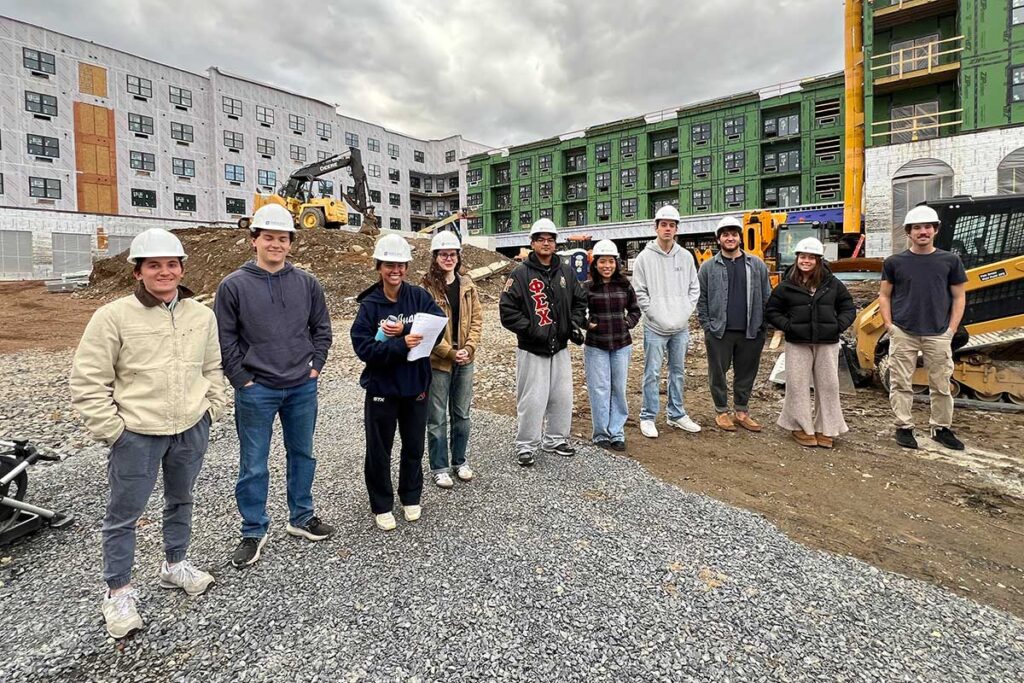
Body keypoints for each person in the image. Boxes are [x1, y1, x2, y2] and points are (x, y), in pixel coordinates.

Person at [70, 228, 227, 639]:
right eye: (153, 265)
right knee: (123, 516)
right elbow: (88, 381)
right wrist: (114, 431)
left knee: (182, 499)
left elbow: (213, 367)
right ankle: (118, 591)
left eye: (171, 264)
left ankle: (175, 565)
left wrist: (212, 408)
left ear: (181, 268)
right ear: (137, 271)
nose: (164, 272)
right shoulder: (113, 317)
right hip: (137, 433)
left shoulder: (200, 315)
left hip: (190, 426)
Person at [214, 203, 334, 568]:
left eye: (283, 238)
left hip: (301, 386)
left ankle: (301, 517)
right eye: (269, 237)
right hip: (257, 390)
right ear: (254, 240)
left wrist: (315, 367)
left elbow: (322, 330)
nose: (276, 244)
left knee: (304, 454)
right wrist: (243, 380)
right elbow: (225, 339)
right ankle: (253, 530)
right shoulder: (233, 286)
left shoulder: (307, 283)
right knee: (253, 463)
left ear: (291, 243)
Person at [351, 234, 445, 529]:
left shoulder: (418, 296)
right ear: (379, 267)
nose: (396, 270)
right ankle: (381, 504)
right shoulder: (370, 305)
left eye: (401, 265)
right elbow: (363, 348)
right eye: (389, 264)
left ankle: (411, 496)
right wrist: (401, 343)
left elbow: (437, 326)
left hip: (415, 385)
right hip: (382, 388)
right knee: (379, 448)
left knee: (414, 444)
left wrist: (407, 329)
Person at [499, 218, 588, 466]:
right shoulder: (519, 273)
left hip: (559, 346)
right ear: (532, 243)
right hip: (532, 347)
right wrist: (531, 330)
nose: (546, 243)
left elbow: (580, 301)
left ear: (555, 243)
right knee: (532, 398)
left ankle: (556, 439)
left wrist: (574, 324)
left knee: (562, 395)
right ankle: (526, 445)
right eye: (541, 239)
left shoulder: (567, 272)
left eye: (550, 239)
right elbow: (507, 310)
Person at [880, 204, 967, 451]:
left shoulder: (950, 261)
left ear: (935, 230)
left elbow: (959, 297)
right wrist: (889, 326)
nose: (923, 231)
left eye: (927, 227)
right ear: (908, 232)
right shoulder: (895, 262)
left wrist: (951, 329)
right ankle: (904, 427)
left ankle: (941, 428)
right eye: (917, 227)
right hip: (904, 331)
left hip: (938, 332)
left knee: (940, 383)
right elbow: (884, 295)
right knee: (900, 382)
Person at [765, 237, 857, 448]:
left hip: (827, 342)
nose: (806, 261)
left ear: (818, 260)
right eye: (802, 257)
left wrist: (837, 325)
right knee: (797, 384)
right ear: (797, 258)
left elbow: (848, 307)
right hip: (798, 342)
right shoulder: (787, 285)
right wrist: (788, 326)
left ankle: (827, 428)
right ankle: (801, 427)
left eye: (811, 257)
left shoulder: (831, 283)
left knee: (829, 385)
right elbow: (772, 311)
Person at [696, 216, 772, 432]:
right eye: (725, 235)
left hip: (751, 330)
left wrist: (763, 325)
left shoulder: (756, 264)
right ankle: (721, 411)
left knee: (747, 372)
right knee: (718, 373)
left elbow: (767, 296)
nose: (730, 238)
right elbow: (701, 299)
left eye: (734, 234)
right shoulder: (708, 267)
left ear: (740, 237)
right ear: (719, 239)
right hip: (720, 331)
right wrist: (707, 326)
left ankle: (741, 411)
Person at [632, 205, 702, 438]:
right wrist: (654, 313)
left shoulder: (685, 256)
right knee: (651, 372)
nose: (668, 229)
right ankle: (648, 416)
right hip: (655, 327)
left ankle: (676, 414)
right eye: (664, 225)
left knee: (678, 371)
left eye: (672, 225)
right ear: (656, 227)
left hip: (680, 327)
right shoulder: (644, 258)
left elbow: (694, 288)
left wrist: (684, 313)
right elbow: (640, 292)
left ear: (677, 229)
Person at [422, 230, 483, 489]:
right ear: (435, 257)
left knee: (462, 414)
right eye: (443, 254)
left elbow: (477, 320)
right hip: (439, 362)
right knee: (436, 417)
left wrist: (468, 348)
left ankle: (460, 461)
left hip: (465, 359)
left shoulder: (468, 285)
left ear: (459, 256)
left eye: (452, 254)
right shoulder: (426, 288)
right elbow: (425, 328)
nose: (448, 258)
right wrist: (449, 351)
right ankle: (439, 466)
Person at [583, 239, 641, 451]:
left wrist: (627, 323)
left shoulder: (625, 285)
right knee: (599, 389)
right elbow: (578, 313)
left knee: (618, 389)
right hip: (596, 345)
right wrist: (587, 324)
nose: (607, 266)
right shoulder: (587, 288)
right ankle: (600, 434)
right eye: (602, 262)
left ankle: (617, 432)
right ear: (595, 264)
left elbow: (635, 310)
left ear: (616, 263)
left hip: (621, 344)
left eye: (611, 261)